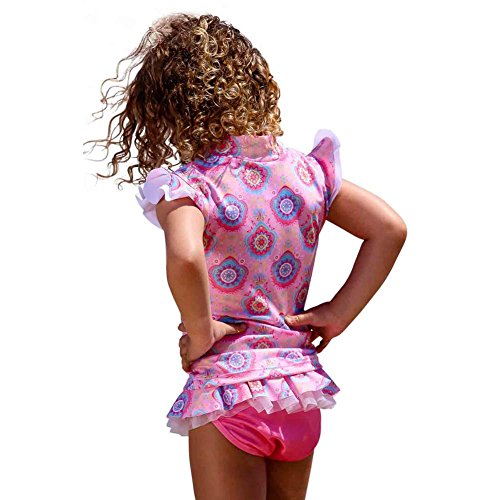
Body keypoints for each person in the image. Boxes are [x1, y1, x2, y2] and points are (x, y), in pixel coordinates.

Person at [85, 12, 407, 500]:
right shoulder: (307, 173)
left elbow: (186, 256)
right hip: (298, 389)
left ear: (172, 106)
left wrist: (201, 332)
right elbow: (389, 229)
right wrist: (338, 313)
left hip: (229, 391)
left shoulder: (192, 185)